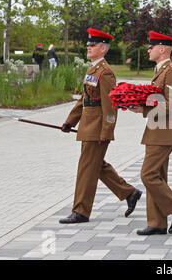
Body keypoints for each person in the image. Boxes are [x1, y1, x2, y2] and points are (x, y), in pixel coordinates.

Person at [59, 28, 142, 224]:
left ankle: (81, 211)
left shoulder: (105, 73)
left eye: (92, 44)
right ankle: (129, 193)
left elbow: (110, 105)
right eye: (88, 44)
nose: (88, 47)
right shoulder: (93, 70)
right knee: (96, 166)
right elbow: (84, 99)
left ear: (103, 49)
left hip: (97, 129)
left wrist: (107, 131)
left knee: (86, 169)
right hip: (88, 126)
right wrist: (70, 121)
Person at [128, 31, 172, 235]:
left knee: (148, 174)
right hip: (156, 130)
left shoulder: (170, 73)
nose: (148, 50)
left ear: (161, 50)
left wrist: (144, 108)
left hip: (163, 131)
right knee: (158, 176)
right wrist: (139, 105)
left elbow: (171, 105)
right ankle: (157, 223)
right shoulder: (160, 71)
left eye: (151, 47)